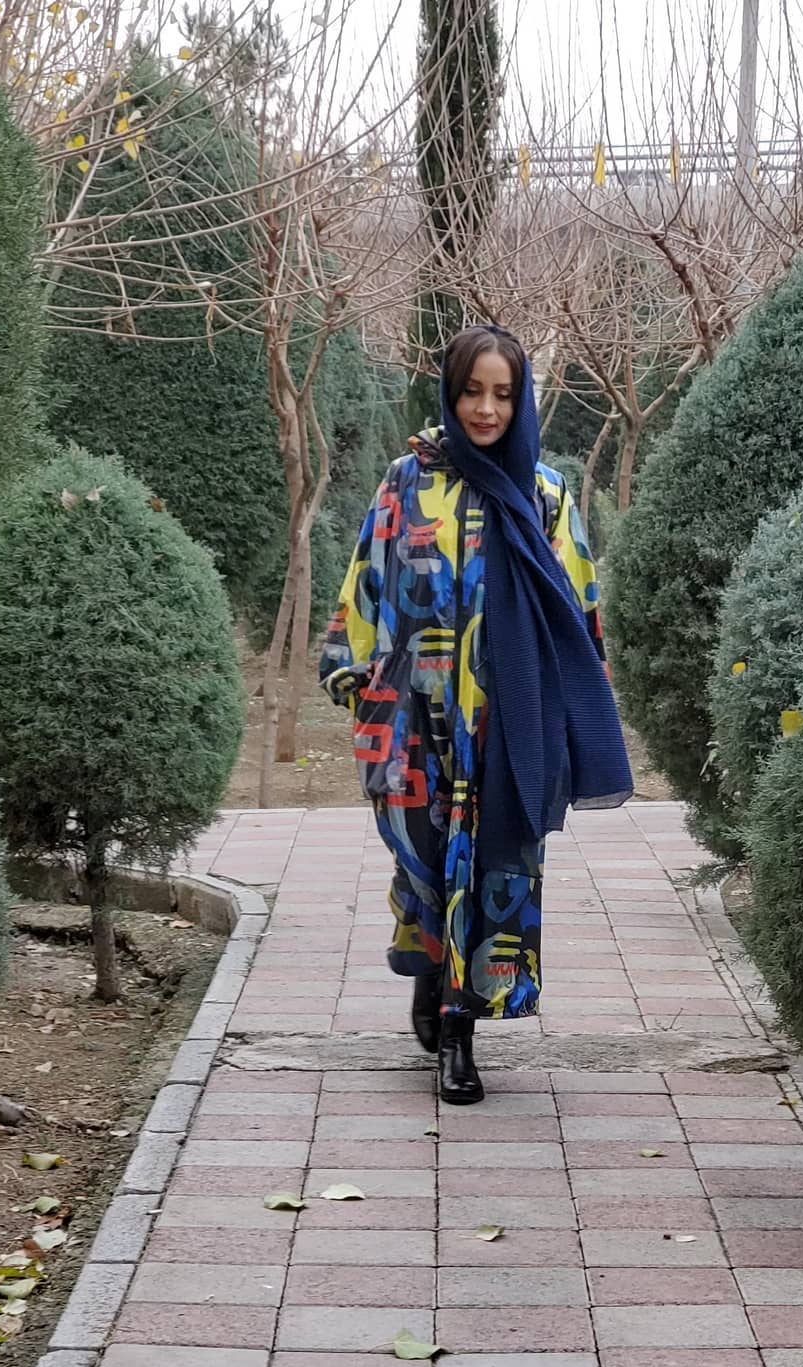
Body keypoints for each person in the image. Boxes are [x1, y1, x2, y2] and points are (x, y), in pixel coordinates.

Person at [319, 325, 632, 1105]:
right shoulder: (407, 482)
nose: (486, 409)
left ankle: (461, 1030)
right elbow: (368, 577)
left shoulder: (544, 494)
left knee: (497, 869)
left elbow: (578, 608)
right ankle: (430, 976)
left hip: (507, 727)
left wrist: (573, 711)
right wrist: (354, 675)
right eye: (472, 391)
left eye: (502, 394)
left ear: (521, 400)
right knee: (423, 865)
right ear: (450, 393)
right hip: (415, 722)